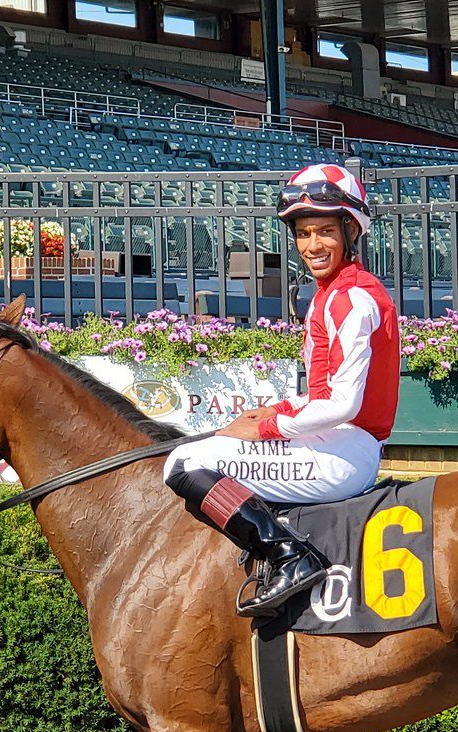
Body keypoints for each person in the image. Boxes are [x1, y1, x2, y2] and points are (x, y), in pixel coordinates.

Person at [164, 163, 401, 617]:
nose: (313, 245)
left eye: (325, 232)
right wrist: (261, 414)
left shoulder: (352, 299)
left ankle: (288, 556)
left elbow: (342, 403)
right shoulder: (331, 295)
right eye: (304, 233)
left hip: (346, 452)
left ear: (351, 231)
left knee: (182, 464)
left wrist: (268, 427)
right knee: (208, 444)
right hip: (336, 441)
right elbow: (319, 393)